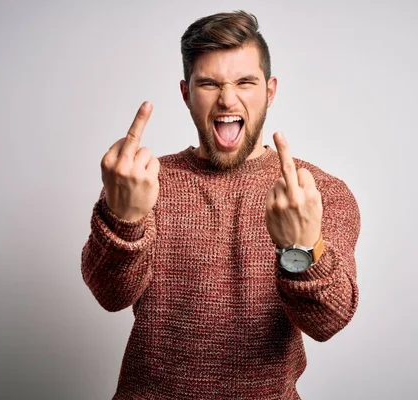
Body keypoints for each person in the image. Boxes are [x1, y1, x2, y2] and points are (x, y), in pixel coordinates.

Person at [81, 10, 361, 400]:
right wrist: (124, 219)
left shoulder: (316, 193)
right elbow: (111, 296)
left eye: (245, 82)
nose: (227, 99)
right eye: (209, 83)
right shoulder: (141, 181)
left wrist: (300, 247)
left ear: (270, 90)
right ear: (185, 93)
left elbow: (327, 322)